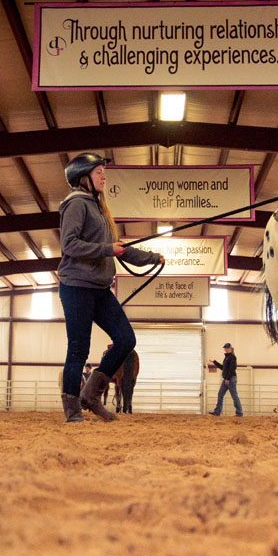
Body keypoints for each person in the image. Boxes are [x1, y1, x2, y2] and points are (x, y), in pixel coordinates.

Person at [58, 152, 164, 423]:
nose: (104, 176)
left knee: (126, 339)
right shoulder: (76, 205)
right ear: (83, 178)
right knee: (79, 348)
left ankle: (91, 394)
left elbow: (120, 251)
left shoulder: (99, 209)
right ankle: (72, 410)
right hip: (77, 287)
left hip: (100, 289)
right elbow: (69, 244)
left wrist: (152, 258)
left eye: (103, 172)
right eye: (98, 172)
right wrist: (107, 249)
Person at [210, 342, 243, 416]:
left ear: (231, 349)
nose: (226, 349)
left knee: (234, 396)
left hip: (230, 379)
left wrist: (227, 379)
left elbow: (232, 369)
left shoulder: (232, 357)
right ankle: (217, 412)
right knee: (221, 394)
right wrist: (214, 362)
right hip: (227, 379)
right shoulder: (227, 357)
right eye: (225, 348)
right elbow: (223, 368)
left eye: (227, 348)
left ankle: (239, 412)